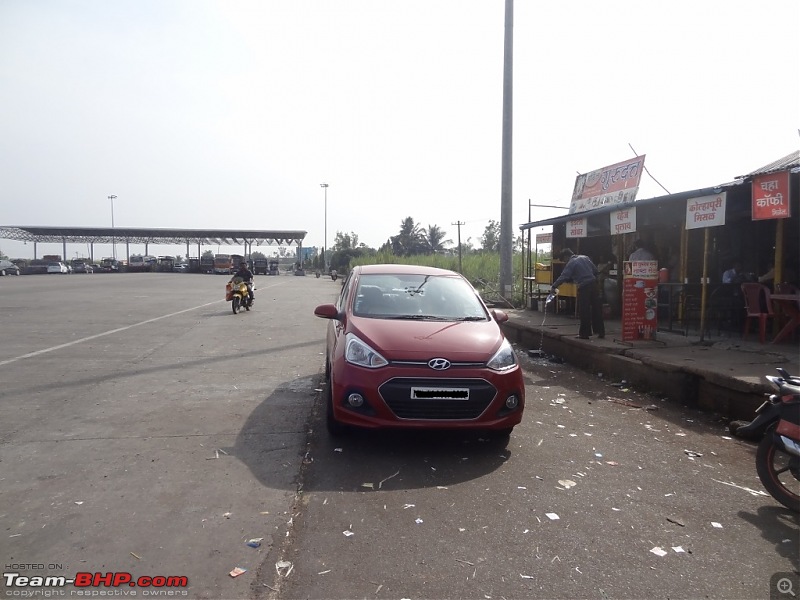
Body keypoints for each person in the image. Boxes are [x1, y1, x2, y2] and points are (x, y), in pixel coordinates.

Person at [551, 248, 605, 340]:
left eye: (564, 260)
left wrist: (554, 286)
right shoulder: (585, 258)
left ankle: (585, 333)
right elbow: (595, 270)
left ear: (566, 257)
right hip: (594, 285)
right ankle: (600, 331)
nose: (565, 263)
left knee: (584, 310)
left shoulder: (571, 263)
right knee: (597, 309)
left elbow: (564, 276)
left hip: (584, 286)